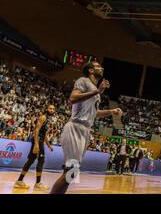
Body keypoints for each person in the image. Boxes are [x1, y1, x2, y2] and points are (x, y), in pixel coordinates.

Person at [49, 61, 122, 194]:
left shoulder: (96, 91)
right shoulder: (83, 80)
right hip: (75, 128)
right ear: (91, 71)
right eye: (98, 66)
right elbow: (73, 97)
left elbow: (94, 114)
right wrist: (96, 91)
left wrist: (111, 111)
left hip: (85, 131)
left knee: (71, 174)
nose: (102, 68)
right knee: (71, 171)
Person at [14, 104, 56, 190]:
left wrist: (48, 145)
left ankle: (19, 181)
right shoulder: (43, 117)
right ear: (47, 109)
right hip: (38, 141)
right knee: (41, 161)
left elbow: (43, 134)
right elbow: (36, 130)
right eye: (50, 108)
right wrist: (36, 144)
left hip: (40, 141)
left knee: (31, 161)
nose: (52, 110)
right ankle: (38, 183)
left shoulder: (48, 119)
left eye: (53, 109)